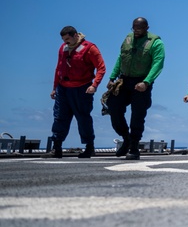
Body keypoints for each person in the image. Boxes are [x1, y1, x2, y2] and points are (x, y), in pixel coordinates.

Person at [107, 17, 165, 161]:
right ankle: (126, 137)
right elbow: (121, 58)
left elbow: (158, 63)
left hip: (141, 82)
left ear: (147, 27)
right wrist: (112, 77)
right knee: (113, 106)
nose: (136, 31)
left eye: (139, 28)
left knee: (137, 115)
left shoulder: (156, 42)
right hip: (124, 80)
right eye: (134, 28)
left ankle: (133, 146)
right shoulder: (128, 39)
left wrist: (146, 82)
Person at [50, 26, 106, 158]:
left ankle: (89, 147)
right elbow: (58, 68)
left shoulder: (90, 48)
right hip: (63, 88)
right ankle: (56, 148)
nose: (66, 42)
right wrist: (54, 87)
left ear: (75, 35)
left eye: (68, 39)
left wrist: (94, 85)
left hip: (82, 88)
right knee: (59, 117)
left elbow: (101, 68)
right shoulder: (63, 48)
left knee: (83, 118)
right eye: (64, 40)